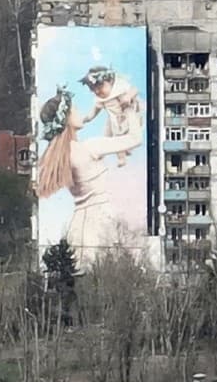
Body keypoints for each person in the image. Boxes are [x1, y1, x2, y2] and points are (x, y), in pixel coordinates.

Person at [34, 65, 146, 257]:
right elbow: (135, 139)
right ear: (67, 119)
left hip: (78, 227)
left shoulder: (65, 156)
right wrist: (127, 108)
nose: (80, 113)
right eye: (75, 110)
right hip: (101, 224)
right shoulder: (89, 148)